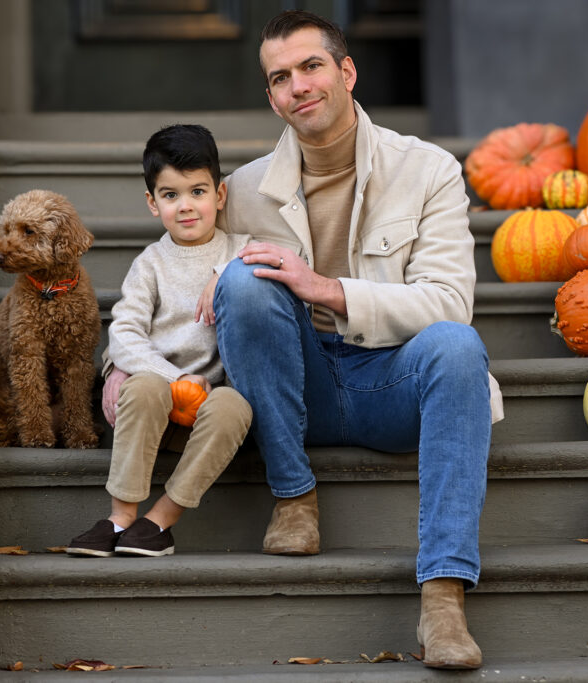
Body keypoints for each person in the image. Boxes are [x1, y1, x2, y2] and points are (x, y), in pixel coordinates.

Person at [212, 10, 505, 670]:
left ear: (346, 71)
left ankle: (443, 598)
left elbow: (449, 302)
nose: (298, 86)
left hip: (392, 380)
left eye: (311, 66)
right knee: (242, 282)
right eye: (280, 77)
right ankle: (294, 498)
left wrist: (327, 290)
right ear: (271, 97)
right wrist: (123, 366)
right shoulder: (245, 190)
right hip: (298, 388)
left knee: (459, 347)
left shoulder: (428, 169)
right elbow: (169, 280)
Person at [66, 124, 253, 558]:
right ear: (153, 203)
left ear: (219, 195)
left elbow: (287, 265)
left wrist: (227, 275)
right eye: (171, 195)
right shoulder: (150, 263)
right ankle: (121, 517)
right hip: (151, 412)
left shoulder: (241, 250)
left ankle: (160, 520)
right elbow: (125, 333)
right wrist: (176, 378)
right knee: (146, 385)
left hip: (206, 415)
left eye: (198, 192)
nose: (186, 206)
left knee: (235, 406)